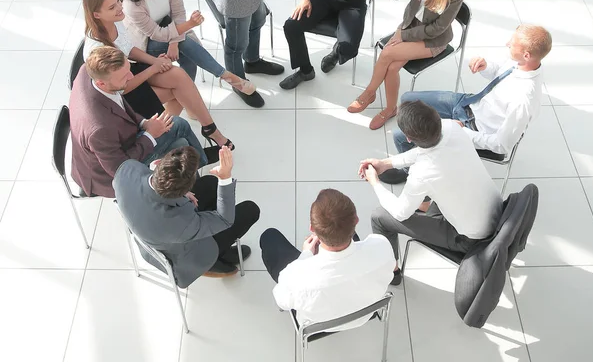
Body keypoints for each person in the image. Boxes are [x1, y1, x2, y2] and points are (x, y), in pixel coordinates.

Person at [380, 23, 553, 184]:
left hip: (474, 128)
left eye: (512, 43)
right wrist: (485, 66)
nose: (507, 43)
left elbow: (500, 145)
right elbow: (498, 73)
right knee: (408, 100)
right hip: (469, 104)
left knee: (400, 137)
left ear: (527, 55)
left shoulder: (523, 99)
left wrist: (461, 132)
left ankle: (412, 173)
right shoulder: (523, 61)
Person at [360, 100, 502, 286]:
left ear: (408, 138)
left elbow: (400, 212)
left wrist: (375, 182)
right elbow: (425, 152)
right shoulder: (452, 127)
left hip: (471, 239)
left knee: (379, 216)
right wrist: (386, 163)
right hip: (496, 212)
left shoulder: (422, 173)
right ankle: (425, 207)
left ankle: (391, 273)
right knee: (428, 188)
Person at [83, 0, 234, 150]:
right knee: (178, 93)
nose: (120, 7)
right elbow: (120, 88)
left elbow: (129, 49)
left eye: (118, 1)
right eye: (112, 7)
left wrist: (154, 61)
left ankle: (209, 129)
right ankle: (165, 133)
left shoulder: (115, 21)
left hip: (128, 70)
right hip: (121, 95)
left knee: (178, 75)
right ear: (96, 14)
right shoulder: (96, 50)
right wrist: (152, 69)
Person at [347, 0, 465, 130]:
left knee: (387, 53)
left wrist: (403, 36)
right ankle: (391, 109)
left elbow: (437, 29)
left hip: (433, 40)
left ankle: (369, 93)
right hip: (410, 26)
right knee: (392, 68)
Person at [70, 46, 211, 198]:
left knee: (179, 132)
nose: (131, 77)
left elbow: (119, 104)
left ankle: (198, 167)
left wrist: (144, 123)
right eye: (124, 77)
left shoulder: (88, 71)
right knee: (180, 134)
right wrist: (150, 135)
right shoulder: (99, 129)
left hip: (117, 143)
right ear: (101, 83)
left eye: (128, 70)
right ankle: (197, 173)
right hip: (111, 173)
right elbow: (120, 168)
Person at [114, 146, 260, 284]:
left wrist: (181, 193)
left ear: (159, 163)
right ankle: (215, 260)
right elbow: (225, 220)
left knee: (210, 183)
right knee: (250, 210)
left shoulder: (127, 170)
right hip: (186, 253)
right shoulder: (181, 223)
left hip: (148, 225)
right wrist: (225, 177)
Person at [120, 0, 255, 97]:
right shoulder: (132, 5)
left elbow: (178, 14)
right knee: (185, 43)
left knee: (188, 59)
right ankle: (225, 75)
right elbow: (157, 34)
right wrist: (189, 25)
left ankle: (187, 98)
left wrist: (174, 43)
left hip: (171, 29)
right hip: (147, 44)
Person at [260, 189, 395, 330]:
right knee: (340, 223)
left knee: (269, 236)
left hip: (317, 325)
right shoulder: (382, 247)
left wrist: (306, 255)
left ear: (312, 228)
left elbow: (281, 300)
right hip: (364, 315)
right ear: (356, 220)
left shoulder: (296, 277)